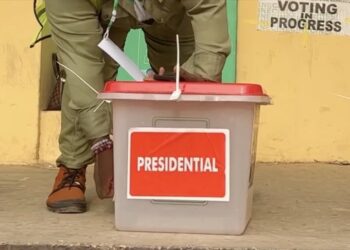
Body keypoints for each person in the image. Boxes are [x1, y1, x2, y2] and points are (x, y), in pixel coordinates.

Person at [44, 0, 231, 213]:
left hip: (171, 11)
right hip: (101, 11)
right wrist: (101, 142)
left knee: (185, 83)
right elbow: (82, 68)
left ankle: (187, 168)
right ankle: (72, 167)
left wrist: (201, 77)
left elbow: (208, 9)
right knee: (88, 79)